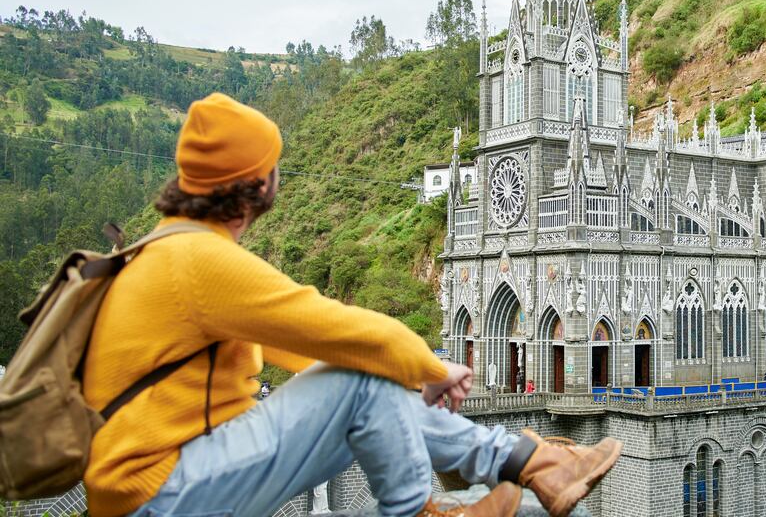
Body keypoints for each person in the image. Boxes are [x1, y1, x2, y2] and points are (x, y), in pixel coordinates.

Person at [82, 93, 620, 517]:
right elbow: (330, 325)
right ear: (256, 182)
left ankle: (535, 464)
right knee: (363, 377)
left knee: (366, 377)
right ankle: (427, 511)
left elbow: (296, 345)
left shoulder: (164, 247)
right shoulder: (196, 260)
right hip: (165, 494)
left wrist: (406, 375)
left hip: (170, 482)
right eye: (274, 165)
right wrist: (430, 367)